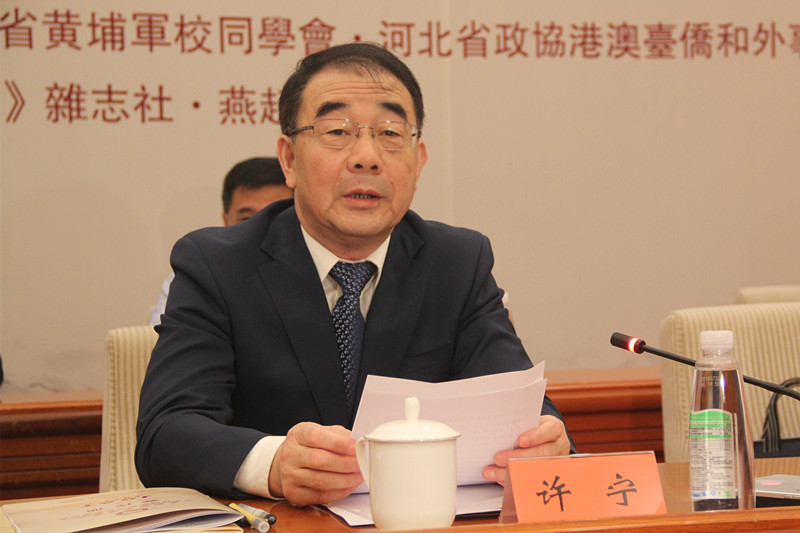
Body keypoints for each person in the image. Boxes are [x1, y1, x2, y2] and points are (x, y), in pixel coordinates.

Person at [136, 42, 574, 507]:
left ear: (418, 162)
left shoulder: (457, 262)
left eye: (390, 133)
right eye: (337, 131)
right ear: (289, 160)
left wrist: (543, 440)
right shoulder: (216, 264)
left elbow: (517, 402)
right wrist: (274, 463)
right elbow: (166, 433)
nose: (367, 157)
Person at [148, 157, 293, 326]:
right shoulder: (198, 277)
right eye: (246, 219)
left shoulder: (315, 269)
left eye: (274, 217)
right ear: (226, 220)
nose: (259, 229)